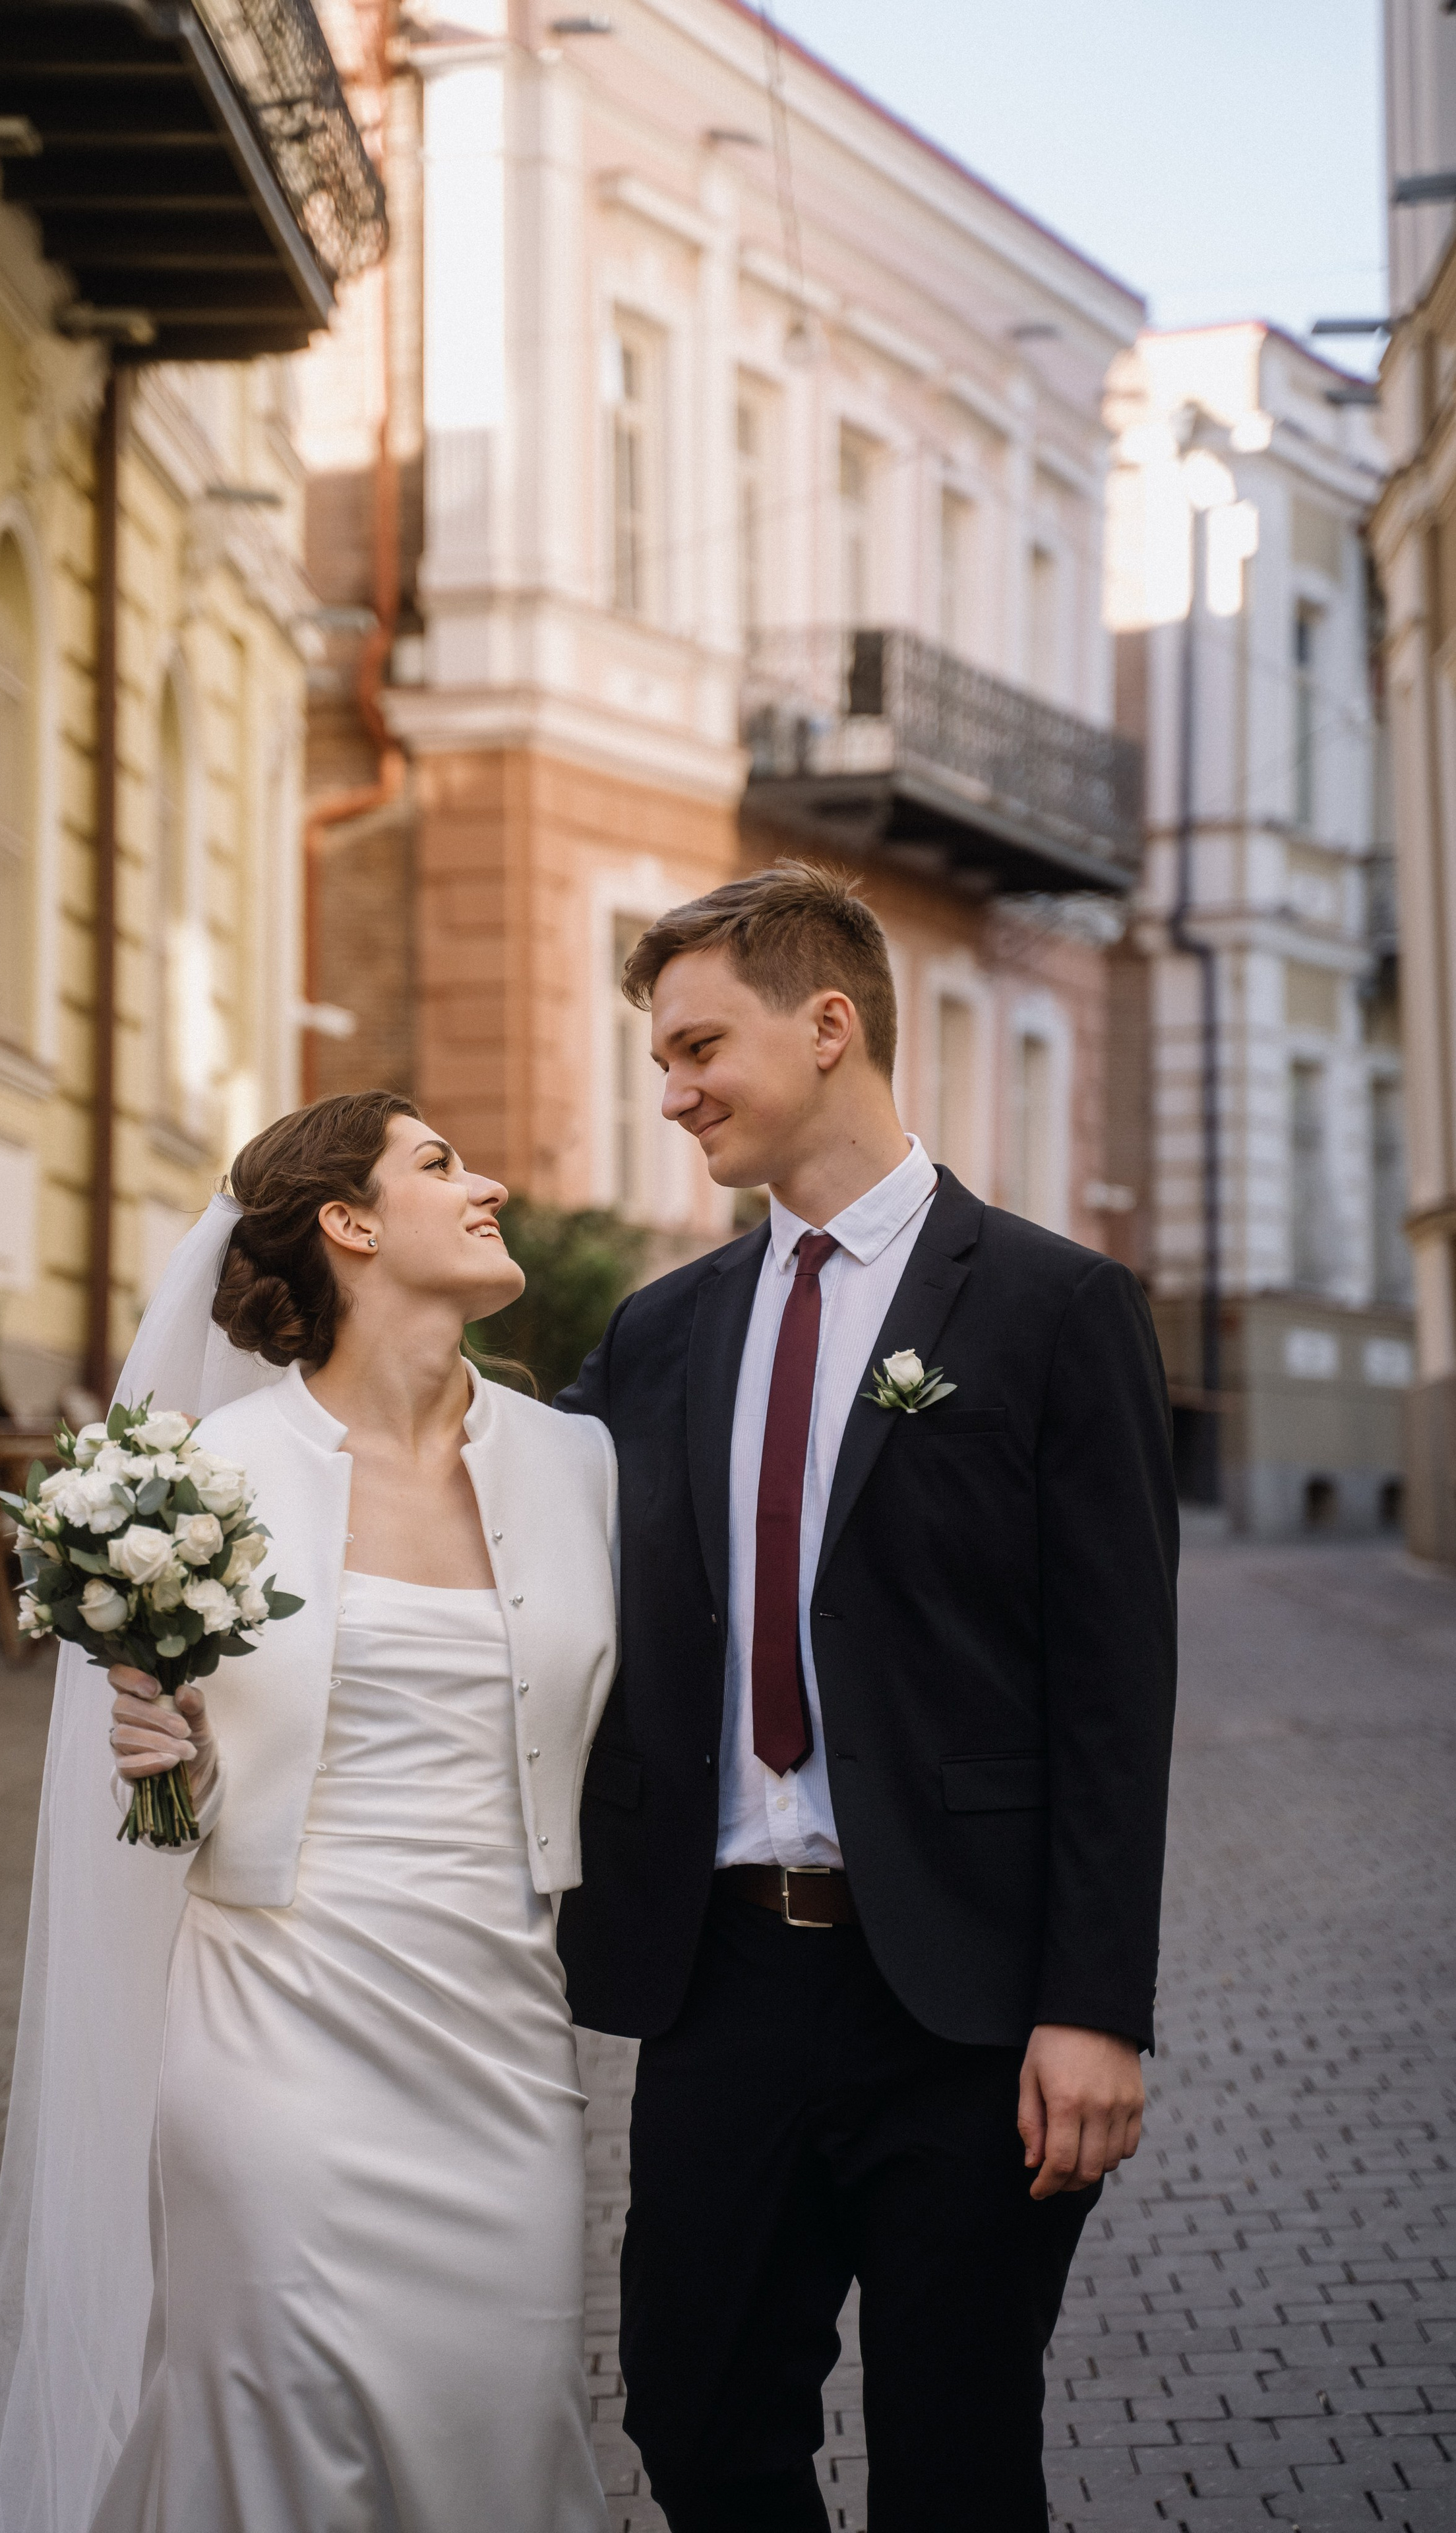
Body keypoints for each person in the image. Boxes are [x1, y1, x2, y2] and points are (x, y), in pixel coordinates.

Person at [557, 863, 1178, 2532]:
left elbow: (1117, 1692)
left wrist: (1093, 2006)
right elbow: (489, 1543)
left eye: (698, 1048)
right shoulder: (660, 1332)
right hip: (721, 1986)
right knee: (694, 2426)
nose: (673, 1092)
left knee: (955, 2468)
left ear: (827, 1025)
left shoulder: (1054, 1309)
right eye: (662, 1061)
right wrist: (212, 1627)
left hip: (967, 2007)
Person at [0, 1092, 617, 2533]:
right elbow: (166, 1803)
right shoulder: (199, 1481)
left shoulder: (581, 1468)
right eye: (443, 1163)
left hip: (502, 2050)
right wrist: (162, 1756)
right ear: (350, 1222)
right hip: (274, 2040)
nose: (490, 1178)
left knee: (504, 2434)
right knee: (276, 2441)